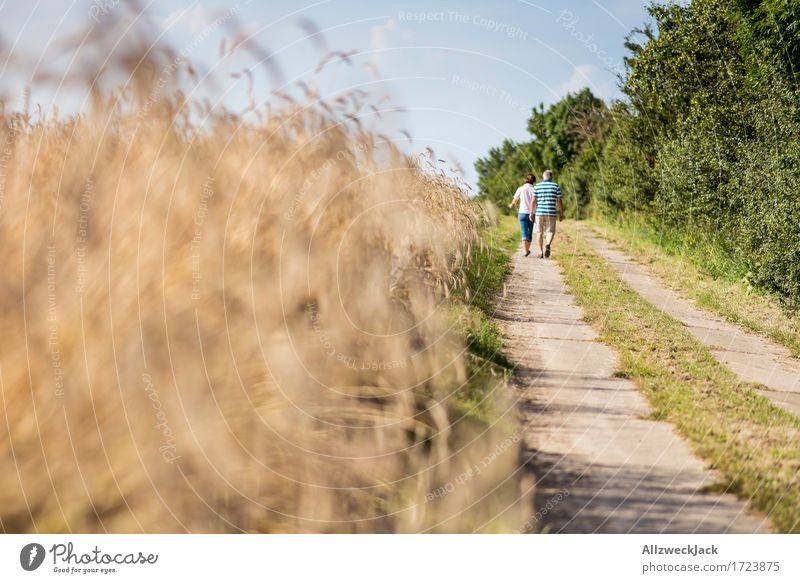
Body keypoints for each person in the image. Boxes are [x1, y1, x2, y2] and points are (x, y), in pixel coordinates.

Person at [531, 169, 564, 258]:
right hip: (551, 212)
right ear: (551, 177)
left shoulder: (537, 186)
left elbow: (533, 201)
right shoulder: (556, 186)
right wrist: (561, 213)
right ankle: (548, 244)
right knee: (550, 231)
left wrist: (531, 213)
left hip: (539, 213)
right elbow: (559, 200)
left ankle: (540, 252)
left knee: (539, 233)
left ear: (543, 176)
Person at [508, 173, 536, 257]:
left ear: (525, 180)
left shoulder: (521, 188)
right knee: (529, 232)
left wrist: (511, 205)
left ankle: (525, 251)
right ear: (534, 181)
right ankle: (527, 250)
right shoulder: (535, 189)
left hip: (522, 213)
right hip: (532, 213)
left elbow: (515, 200)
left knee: (524, 232)